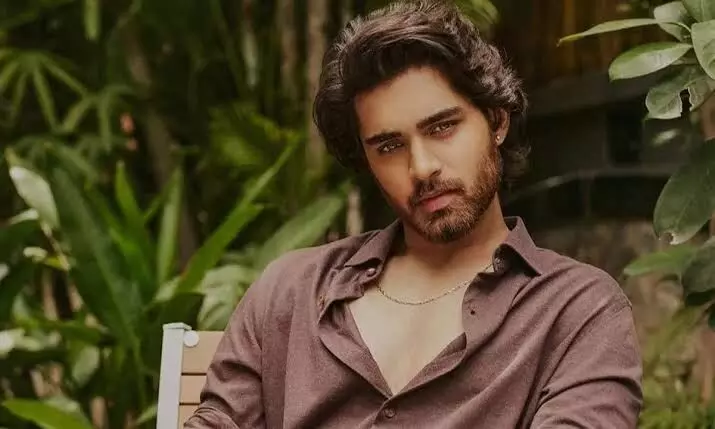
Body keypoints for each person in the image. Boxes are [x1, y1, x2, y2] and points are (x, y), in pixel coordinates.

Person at [184, 1, 643, 428]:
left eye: (442, 127)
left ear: (497, 121)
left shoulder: (575, 311)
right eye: (389, 146)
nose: (421, 167)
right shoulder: (292, 293)